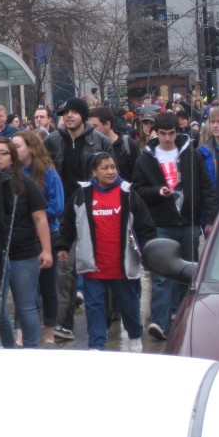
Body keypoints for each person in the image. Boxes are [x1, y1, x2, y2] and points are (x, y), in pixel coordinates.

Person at [131, 111, 217, 341]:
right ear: (155, 133)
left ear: (177, 132)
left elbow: (206, 187)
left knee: (188, 275)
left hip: (188, 221)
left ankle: (184, 320)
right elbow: (137, 190)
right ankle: (160, 322)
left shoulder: (192, 155)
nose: (167, 138)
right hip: (161, 222)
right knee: (161, 275)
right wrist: (156, 192)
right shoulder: (146, 158)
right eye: (163, 134)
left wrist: (210, 218)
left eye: (171, 133)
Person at [58, 152, 156, 352]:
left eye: (113, 167)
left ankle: (135, 336)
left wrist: (147, 250)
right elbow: (68, 222)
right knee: (94, 308)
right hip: (93, 266)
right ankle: (96, 345)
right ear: (94, 172)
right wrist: (62, 246)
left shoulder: (128, 193)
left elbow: (145, 226)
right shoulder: (82, 195)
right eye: (105, 168)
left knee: (129, 306)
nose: (111, 171)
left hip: (123, 266)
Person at [45, 96, 113, 341]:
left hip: (95, 213)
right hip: (65, 216)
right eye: (65, 112)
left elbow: (111, 176)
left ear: (83, 115)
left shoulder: (100, 141)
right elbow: (45, 176)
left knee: (100, 268)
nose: (69, 116)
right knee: (65, 271)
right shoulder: (52, 141)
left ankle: (103, 322)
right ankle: (64, 324)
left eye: (74, 112)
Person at [0, 138, 53, 347]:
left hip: (24, 253)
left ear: (13, 158)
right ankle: (9, 346)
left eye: (3, 153)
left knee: (26, 306)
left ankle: (31, 348)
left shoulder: (25, 183)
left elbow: (40, 217)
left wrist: (47, 250)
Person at [13, 130, 65, 346]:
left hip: (47, 234)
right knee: (22, 286)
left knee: (47, 285)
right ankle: (19, 332)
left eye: (17, 146)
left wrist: (35, 216)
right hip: (22, 236)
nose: (13, 150)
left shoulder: (48, 173)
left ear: (31, 148)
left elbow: (57, 205)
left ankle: (50, 331)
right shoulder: (11, 173)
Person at [88, 106, 140, 181]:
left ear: (107, 124)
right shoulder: (90, 146)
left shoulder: (128, 144)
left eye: (94, 126)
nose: (91, 130)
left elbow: (139, 175)